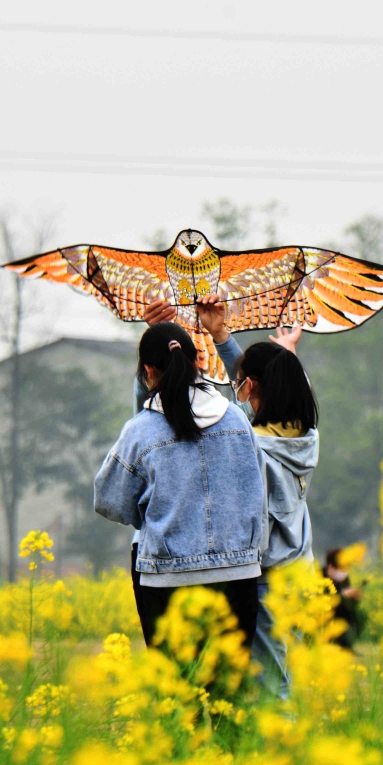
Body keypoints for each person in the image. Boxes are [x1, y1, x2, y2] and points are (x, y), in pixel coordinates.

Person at [140, 295, 318, 700]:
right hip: (302, 575)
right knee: (293, 677)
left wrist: (155, 371)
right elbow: (285, 385)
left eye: (241, 383)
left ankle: (276, 758)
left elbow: (168, 425)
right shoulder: (305, 437)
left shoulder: (248, 444)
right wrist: (224, 335)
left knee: (272, 688)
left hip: (267, 577)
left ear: (250, 386)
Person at [94, 322, 267, 650]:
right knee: (227, 693)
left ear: (148, 371)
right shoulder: (237, 420)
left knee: (177, 692)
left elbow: (109, 499)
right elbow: (259, 494)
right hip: (238, 578)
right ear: (198, 362)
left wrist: (149, 514)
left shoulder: (141, 429)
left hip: (168, 581)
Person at [324, 547, 364, 650]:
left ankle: (347, 647)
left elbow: (348, 606)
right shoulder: (320, 575)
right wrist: (343, 596)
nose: (344, 571)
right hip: (324, 615)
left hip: (340, 612)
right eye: (342, 567)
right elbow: (321, 601)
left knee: (359, 615)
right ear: (331, 566)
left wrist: (354, 598)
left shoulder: (344, 578)